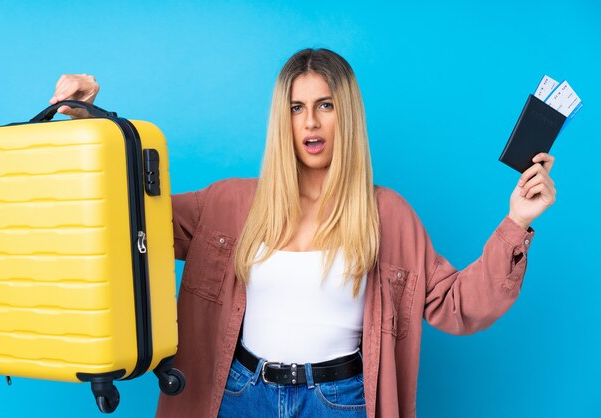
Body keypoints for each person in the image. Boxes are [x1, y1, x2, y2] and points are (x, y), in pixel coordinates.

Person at [49, 48, 556, 418]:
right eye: (296, 107)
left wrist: (517, 222)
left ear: (347, 115)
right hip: (237, 395)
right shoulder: (228, 204)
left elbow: (457, 303)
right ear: (282, 119)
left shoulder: (388, 215)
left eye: (326, 105)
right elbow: (125, 219)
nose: (310, 121)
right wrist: (81, 126)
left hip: (340, 401)